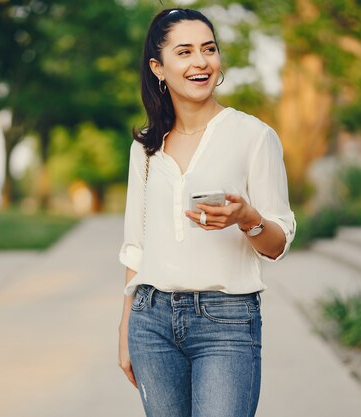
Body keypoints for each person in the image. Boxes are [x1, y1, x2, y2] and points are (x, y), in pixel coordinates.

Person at [117, 8, 296, 417]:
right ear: (158, 68)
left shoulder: (254, 136)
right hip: (151, 321)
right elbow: (135, 247)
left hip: (227, 323)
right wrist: (125, 327)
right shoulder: (145, 149)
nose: (201, 61)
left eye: (209, 49)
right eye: (185, 52)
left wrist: (246, 218)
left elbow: (278, 244)